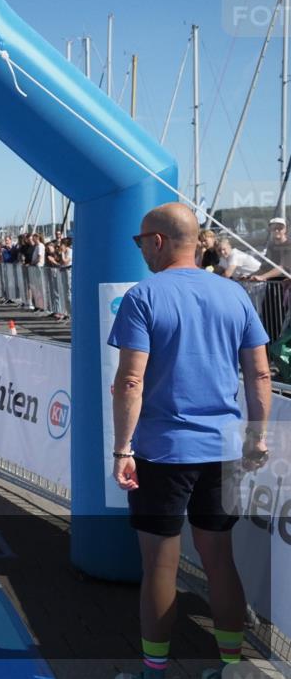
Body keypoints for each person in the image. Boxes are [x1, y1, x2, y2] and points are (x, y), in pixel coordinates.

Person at [108, 203, 271, 679]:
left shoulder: (145, 296)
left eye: (141, 243)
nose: (140, 251)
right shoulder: (235, 294)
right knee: (219, 559)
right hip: (222, 448)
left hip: (163, 451)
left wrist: (122, 449)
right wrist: (257, 437)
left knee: (160, 565)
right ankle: (231, 667)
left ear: (157, 241)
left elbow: (130, 382)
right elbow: (259, 372)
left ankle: (154, 670)